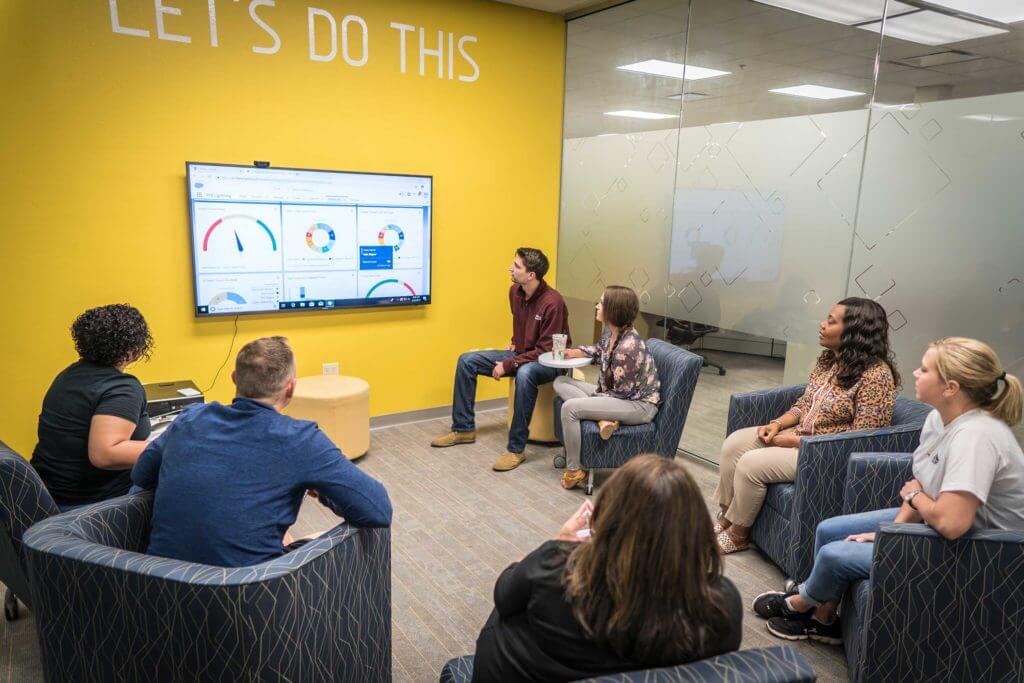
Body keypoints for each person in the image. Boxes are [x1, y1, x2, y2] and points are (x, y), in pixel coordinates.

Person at [754, 337, 1023, 644]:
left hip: (984, 552)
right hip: (938, 525)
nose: (915, 374)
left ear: (951, 387)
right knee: (830, 530)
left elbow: (951, 523)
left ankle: (800, 601)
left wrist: (911, 503)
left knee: (834, 554)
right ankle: (823, 619)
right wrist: (893, 531)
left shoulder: (976, 437)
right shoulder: (939, 418)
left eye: (924, 369)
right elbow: (921, 483)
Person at [470, 455, 742, 683]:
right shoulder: (723, 604)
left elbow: (504, 592)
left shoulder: (557, 571)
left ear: (609, 517)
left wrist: (558, 543)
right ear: (695, 530)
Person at [132, 336, 392, 568]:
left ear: (234, 377)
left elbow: (141, 474)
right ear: (291, 387)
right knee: (328, 535)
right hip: (251, 593)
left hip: (161, 585)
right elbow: (378, 509)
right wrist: (322, 492)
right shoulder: (301, 439)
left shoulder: (189, 418)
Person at [714, 297, 900, 553]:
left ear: (855, 332)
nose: (822, 325)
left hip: (825, 453)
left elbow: (864, 437)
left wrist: (797, 441)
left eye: (831, 322)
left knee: (751, 463)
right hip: (800, 436)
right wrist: (778, 424)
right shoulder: (829, 360)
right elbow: (805, 403)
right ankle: (726, 515)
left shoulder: (876, 376)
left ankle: (739, 533)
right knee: (734, 444)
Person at [431, 247, 570, 472]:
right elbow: (522, 323)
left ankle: (516, 449)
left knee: (525, 374)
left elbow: (546, 350)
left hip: (550, 362)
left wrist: (508, 364)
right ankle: (464, 429)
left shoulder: (553, 302)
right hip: (522, 354)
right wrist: (515, 342)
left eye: (516, 266)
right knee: (467, 361)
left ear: (531, 274)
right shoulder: (515, 291)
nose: (510, 268)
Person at [32, 304, 154, 509]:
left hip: (50, 495)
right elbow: (105, 454)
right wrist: (171, 443)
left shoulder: (70, 374)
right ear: (135, 350)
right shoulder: (122, 387)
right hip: (93, 506)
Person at [554, 286, 660, 490]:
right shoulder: (612, 333)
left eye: (601, 303)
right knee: (561, 382)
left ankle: (574, 470)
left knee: (570, 408)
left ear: (613, 309)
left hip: (637, 405)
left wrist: (592, 402)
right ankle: (605, 418)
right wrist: (576, 352)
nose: (596, 306)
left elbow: (621, 394)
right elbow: (600, 351)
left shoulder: (628, 348)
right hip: (615, 394)